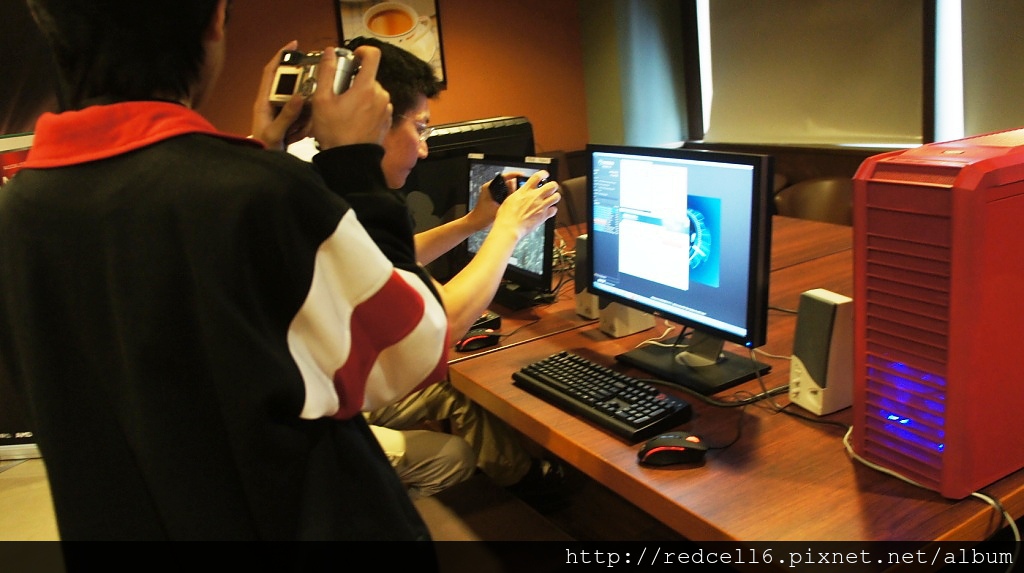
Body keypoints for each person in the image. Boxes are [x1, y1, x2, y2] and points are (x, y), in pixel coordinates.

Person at [0, 0, 451, 545]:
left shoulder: (17, 211)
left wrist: (265, 151)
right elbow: (412, 345)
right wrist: (356, 163)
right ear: (215, 19)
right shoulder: (256, 193)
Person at [324, 36, 565, 498]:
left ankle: (530, 483)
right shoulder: (336, 199)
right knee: (452, 456)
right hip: (326, 423)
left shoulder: (329, 185)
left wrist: (475, 222)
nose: (424, 149)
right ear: (376, 119)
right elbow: (443, 323)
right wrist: (509, 229)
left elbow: (392, 257)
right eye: (421, 129)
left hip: (339, 388)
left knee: (453, 389)